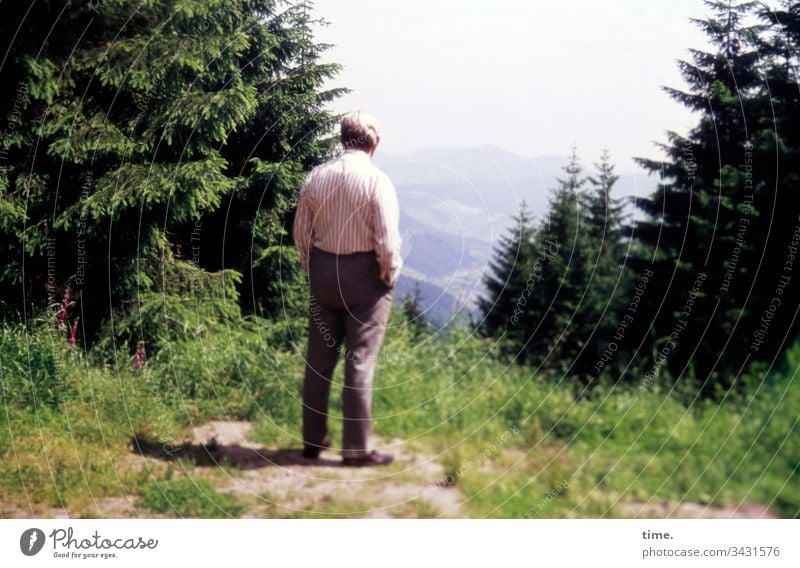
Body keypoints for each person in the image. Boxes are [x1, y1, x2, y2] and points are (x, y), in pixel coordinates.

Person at [292, 111, 402, 467]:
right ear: (375, 142)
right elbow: (386, 241)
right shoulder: (377, 181)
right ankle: (356, 449)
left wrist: (314, 267)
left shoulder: (316, 177)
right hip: (365, 277)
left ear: (342, 138)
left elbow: (301, 234)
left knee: (319, 361)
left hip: (323, 273)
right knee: (360, 361)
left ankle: (312, 440)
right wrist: (389, 274)